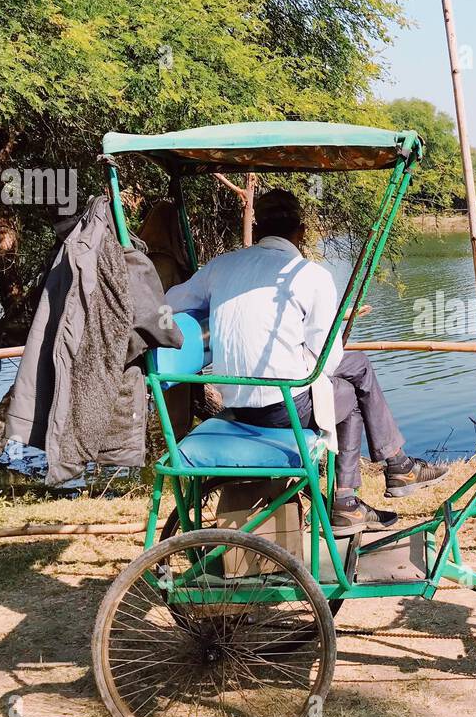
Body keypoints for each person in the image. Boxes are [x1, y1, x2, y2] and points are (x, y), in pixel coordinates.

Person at [164, 189, 447, 536]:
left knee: (357, 367)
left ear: (258, 225)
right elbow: (325, 361)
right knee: (352, 391)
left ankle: (395, 467)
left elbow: (171, 300)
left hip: (236, 404)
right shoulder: (310, 275)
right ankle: (353, 495)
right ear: (300, 231)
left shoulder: (222, 266)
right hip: (280, 408)